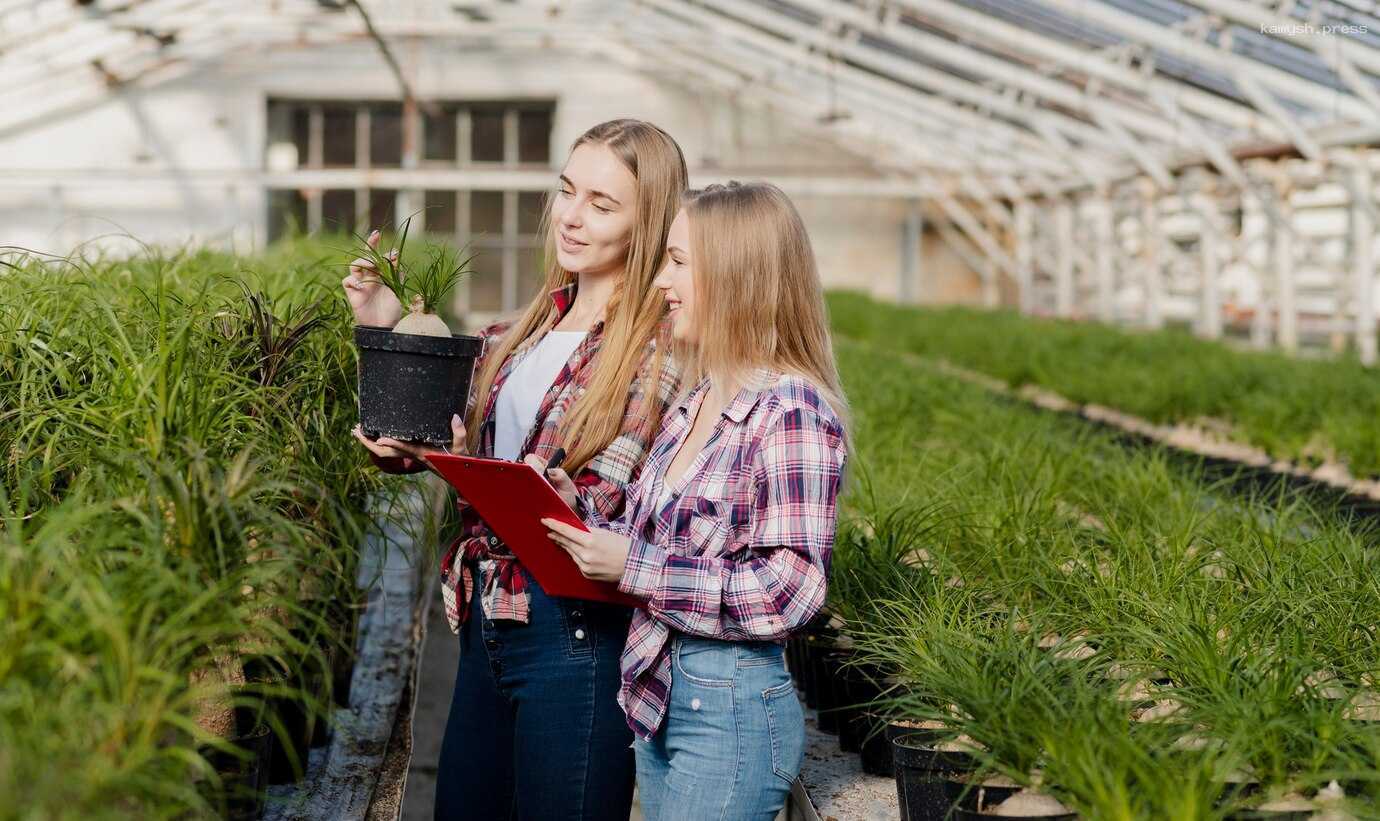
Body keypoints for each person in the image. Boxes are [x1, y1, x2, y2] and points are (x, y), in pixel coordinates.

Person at [344, 119, 686, 821]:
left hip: (574, 633)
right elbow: (462, 447)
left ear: (647, 220)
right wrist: (387, 335)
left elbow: (600, 503)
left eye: (601, 202)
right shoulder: (517, 332)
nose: (570, 215)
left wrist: (516, 484)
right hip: (485, 621)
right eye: (566, 191)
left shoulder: (659, 348)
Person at [541, 182, 849, 821]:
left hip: (730, 708)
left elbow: (789, 591)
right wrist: (583, 515)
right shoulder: (699, 399)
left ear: (736, 274)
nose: (659, 281)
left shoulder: (790, 411)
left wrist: (633, 566)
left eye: (678, 261)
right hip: (665, 694)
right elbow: (659, 542)